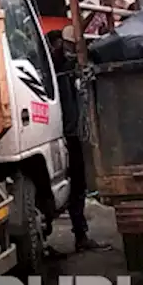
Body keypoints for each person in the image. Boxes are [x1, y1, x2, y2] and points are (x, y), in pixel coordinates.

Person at [47, 26, 105, 252]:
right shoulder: (58, 65)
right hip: (67, 133)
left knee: (78, 185)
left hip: (70, 132)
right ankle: (79, 234)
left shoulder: (65, 65)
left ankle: (80, 234)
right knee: (77, 184)